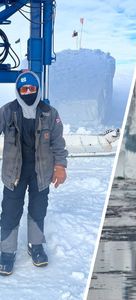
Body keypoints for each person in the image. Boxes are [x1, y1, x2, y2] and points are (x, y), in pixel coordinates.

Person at [0, 71, 68, 275]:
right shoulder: (7, 111)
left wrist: (60, 166)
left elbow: (58, 142)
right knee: (11, 211)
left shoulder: (50, 113)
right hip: (14, 172)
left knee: (38, 210)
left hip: (41, 172)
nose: (28, 92)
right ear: (18, 90)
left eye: (32, 88)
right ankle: (6, 251)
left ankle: (35, 245)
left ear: (37, 89)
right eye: (24, 89)